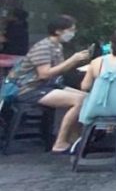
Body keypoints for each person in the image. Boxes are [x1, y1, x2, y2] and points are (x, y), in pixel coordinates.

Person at [4, 15, 91, 153]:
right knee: (78, 101)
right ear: (58, 31)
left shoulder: (56, 46)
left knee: (87, 97)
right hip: (28, 89)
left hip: (47, 85)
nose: (72, 33)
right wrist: (72, 60)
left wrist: (76, 62)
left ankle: (75, 138)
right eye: (70, 30)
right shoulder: (43, 47)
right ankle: (60, 143)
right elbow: (44, 74)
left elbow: (58, 71)